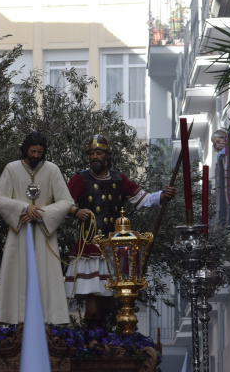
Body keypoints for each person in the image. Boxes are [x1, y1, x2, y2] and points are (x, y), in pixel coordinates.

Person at [64, 134, 176, 329]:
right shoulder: (80, 179)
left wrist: (162, 196)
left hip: (114, 248)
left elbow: (143, 199)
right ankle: (92, 340)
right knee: (93, 301)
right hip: (91, 245)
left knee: (107, 299)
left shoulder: (118, 178)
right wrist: (75, 211)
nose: (94, 157)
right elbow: (62, 204)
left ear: (107, 155)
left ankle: (100, 341)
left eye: (98, 152)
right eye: (91, 153)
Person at [0, 131, 74, 325]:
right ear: (25, 150)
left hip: (45, 234)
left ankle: (48, 320)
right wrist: (24, 208)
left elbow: (66, 201)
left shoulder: (52, 170)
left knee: (46, 275)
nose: (36, 156)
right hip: (19, 232)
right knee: (16, 274)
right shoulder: (12, 169)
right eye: (33, 151)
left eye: (40, 152)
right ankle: (13, 319)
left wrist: (41, 213)